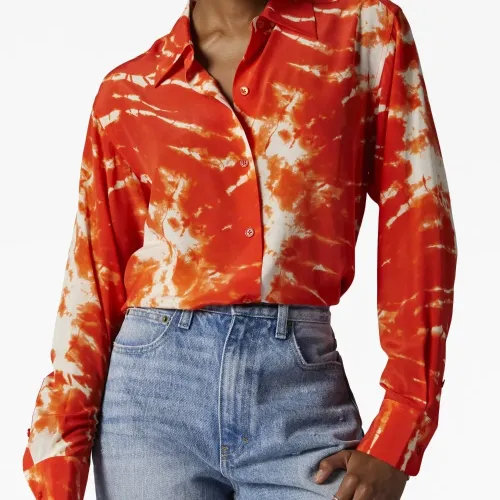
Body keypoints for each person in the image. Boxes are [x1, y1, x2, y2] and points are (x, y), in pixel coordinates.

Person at [22, 0, 457, 498]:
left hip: (298, 394)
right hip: (149, 404)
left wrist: (403, 425)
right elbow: (93, 278)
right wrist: (59, 456)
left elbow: (419, 217)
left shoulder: (362, 32)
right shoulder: (130, 91)